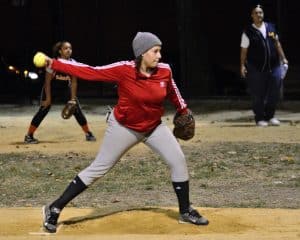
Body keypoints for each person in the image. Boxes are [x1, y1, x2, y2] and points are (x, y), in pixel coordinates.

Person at [41, 32, 209, 233]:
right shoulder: (123, 70)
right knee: (99, 168)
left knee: (178, 160)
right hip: (124, 127)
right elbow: (90, 71)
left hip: (153, 127)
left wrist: (183, 110)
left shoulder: (164, 71)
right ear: (142, 53)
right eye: (155, 51)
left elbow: (173, 91)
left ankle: (185, 211)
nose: (159, 56)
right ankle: (55, 207)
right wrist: (55, 64)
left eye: (160, 51)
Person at [24, 41, 96, 143]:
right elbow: (47, 82)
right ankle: (29, 136)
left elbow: (74, 82)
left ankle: (88, 133)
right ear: (60, 51)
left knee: (76, 109)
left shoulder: (73, 63)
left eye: (70, 48)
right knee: (43, 110)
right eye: (65, 48)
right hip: (51, 89)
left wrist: (72, 99)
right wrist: (48, 99)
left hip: (65, 89)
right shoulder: (53, 63)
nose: (68, 50)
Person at [240, 4, 289, 127]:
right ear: (252, 16)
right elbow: (244, 51)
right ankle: (260, 118)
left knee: (274, 91)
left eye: (260, 12)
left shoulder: (271, 28)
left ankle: (270, 116)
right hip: (256, 67)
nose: (258, 15)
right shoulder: (248, 32)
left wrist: (284, 59)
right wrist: (242, 65)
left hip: (274, 66)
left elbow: (277, 44)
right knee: (258, 94)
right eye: (256, 13)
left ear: (263, 14)